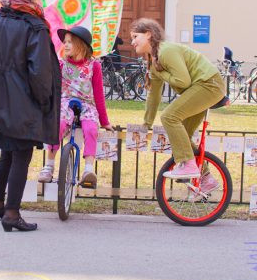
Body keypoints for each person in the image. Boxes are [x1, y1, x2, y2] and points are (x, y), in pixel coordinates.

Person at [0, 0, 61, 232]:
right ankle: (12, 213)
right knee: (22, 154)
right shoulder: (34, 26)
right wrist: (44, 100)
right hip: (23, 97)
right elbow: (39, 71)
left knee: (8, 149)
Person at [130, 18, 225, 189]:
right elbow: (154, 95)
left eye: (135, 36)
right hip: (200, 87)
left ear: (149, 34)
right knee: (181, 139)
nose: (132, 42)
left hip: (208, 84)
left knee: (169, 116)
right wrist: (147, 123)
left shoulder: (166, 51)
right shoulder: (154, 61)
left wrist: (162, 74)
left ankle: (187, 165)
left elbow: (182, 81)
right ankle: (206, 178)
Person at [38, 26, 114, 188]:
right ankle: (49, 166)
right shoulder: (60, 65)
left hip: (87, 104)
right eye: (65, 42)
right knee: (57, 126)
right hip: (65, 102)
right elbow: (53, 89)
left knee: (91, 129)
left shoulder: (94, 66)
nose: (65, 45)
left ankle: (88, 169)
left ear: (81, 45)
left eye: (70, 42)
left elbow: (99, 95)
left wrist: (104, 121)